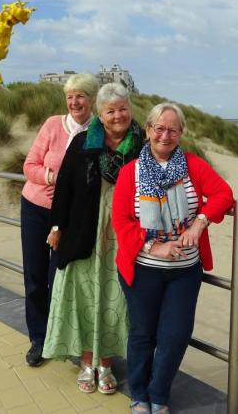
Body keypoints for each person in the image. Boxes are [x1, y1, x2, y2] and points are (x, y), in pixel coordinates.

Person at [112, 103, 234, 414]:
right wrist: (154, 247)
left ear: (180, 134)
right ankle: (139, 394)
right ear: (149, 130)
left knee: (176, 335)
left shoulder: (193, 165)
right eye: (159, 128)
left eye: (173, 129)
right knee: (143, 333)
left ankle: (159, 394)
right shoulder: (131, 172)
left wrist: (200, 222)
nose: (165, 135)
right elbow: (122, 221)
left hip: (184, 271)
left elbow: (223, 194)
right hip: (143, 269)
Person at [42, 83, 145, 394]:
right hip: (83, 231)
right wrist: (57, 226)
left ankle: (107, 363)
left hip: (123, 233)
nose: (117, 115)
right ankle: (87, 362)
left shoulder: (142, 144)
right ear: (100, 114)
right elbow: (64, 187)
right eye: (110, 110)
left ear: (130, 109)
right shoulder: (84, 142)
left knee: (116, 298)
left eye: (122, 108)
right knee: (85, 296)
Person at [20, 73, 99, 367]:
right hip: (36, 208)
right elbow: (29, 165)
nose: (74, 102)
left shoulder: (97, 131)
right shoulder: (53, 125)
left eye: (80, 96)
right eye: (70, 96)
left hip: (70, 218)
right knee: (35, 277)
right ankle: (39, 339)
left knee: (62, 279)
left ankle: (62, 338)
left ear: (91, 99)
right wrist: (54, 178)